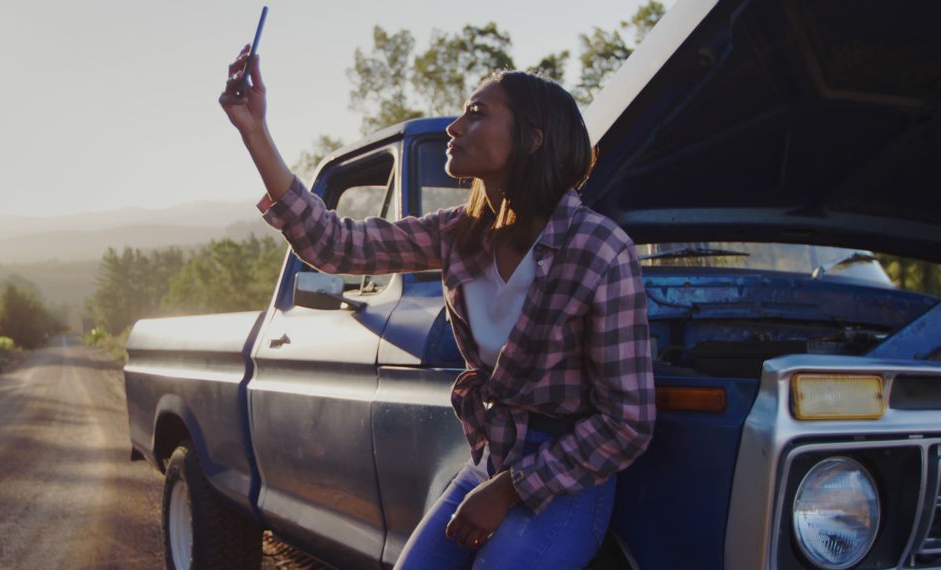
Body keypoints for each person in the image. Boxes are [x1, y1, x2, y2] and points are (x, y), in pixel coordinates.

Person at [220, 44, 655, 569]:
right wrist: (255, 132)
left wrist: (511, 489)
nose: (454, 127)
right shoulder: (459, 233)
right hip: (488, 463)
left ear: (532, 139)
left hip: (566, 477)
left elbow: (627, 422)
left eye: (476, 114)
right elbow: (336, 244)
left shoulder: (601, 250)